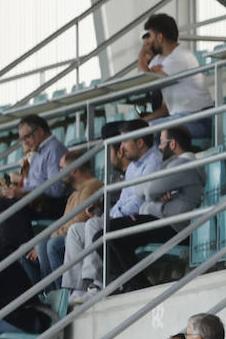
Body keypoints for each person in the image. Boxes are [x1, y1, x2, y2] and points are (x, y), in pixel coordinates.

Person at [61, 119, 164, 297]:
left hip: (143, 217)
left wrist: (112, 217)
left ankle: (95, 282)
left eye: (125, 141)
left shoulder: (153, 162)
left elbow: (141, 201)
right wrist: (107, 215)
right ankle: (76, 290)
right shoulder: (132, 167)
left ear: (139, 142)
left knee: (94, 225)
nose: (121, 147)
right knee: (76, 231)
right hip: (123, 216)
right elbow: (124, 199)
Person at [102, 126, 206, 285]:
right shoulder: (171, 164)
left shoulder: (183, 164)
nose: (159, 147)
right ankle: (132, 284)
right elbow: (142, 190)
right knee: (104, 235)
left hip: (174, 226)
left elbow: (148, 190)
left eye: (162, 142)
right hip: (162, 220)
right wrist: (155, 194)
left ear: (173, 145)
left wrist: (154, 195)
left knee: (111, 233)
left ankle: (138, 286)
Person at [137, 14, 214, 139]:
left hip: (198, 119)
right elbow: (165, 108)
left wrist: (142, 53)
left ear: (160, 37)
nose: (147, 41)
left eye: (150, 37)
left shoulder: (180, 57)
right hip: (179, 118)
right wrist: (144, 120)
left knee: (146, 132)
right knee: (139, 128)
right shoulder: (159, 59)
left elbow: (145, 79)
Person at [34, 150, 101, 285]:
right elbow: (64, 222)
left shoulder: (92, 186)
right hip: (70, 233)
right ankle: (51, 294)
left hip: (84, 234)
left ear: (74, 170)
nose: (59, 173)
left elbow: (81, 219)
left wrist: (53, 235)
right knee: (40, 245)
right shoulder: (73, 195)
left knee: (52, 244)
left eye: (61, 168)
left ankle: (63, 293)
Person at [10, 114, 68, 218]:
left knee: (7, 206)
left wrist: (23, 182)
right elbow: (35, 183)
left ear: (40, 131)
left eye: (27, 137)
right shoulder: (37, 151)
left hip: (52, 203)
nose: (25, 143)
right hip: (38, 200)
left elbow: (56, 189)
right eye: (22, 140)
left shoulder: (54, 149)